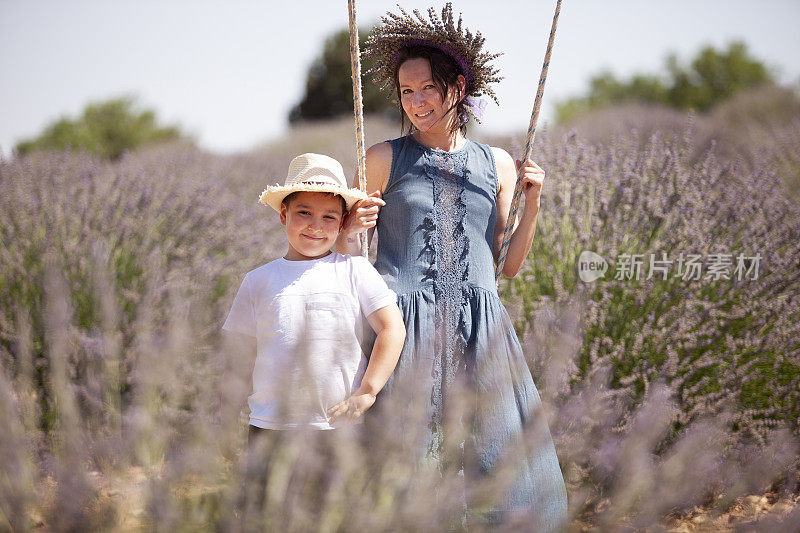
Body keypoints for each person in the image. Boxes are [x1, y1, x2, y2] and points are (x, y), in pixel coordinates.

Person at [336, 4, 568, 529]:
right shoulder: (383, 157)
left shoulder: (499, 164)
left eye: (426, 89)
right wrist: (356, 226)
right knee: (408, 463)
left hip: (479, 328)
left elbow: (506, 267)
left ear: (457, 88)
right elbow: (352, 259)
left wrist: (534, 204)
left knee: (494, 457)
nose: (415, 102)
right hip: (405, 326)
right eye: (406, 92)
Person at [223, 153, 406, 528]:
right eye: (304, 213)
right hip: (270, 426)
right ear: (283, 215)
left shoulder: (354, 270)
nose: (316, 227)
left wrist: (368, 391)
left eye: (329, 218)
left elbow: (392, 327)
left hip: (335, 427)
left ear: (342, 224)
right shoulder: (258, 280)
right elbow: (239, 353)